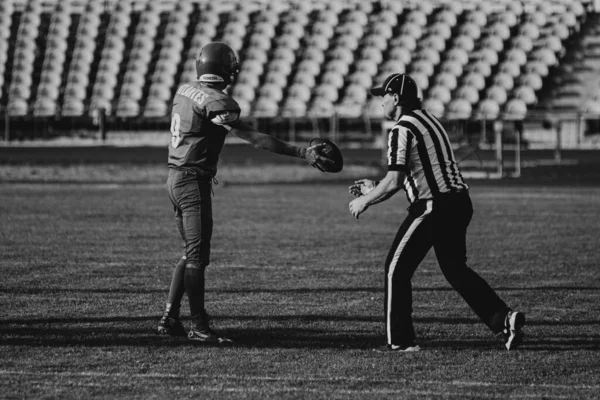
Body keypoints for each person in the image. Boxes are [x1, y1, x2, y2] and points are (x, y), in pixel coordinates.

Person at [157, 42, 333, 343]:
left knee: (189, 253)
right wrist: (301, 152)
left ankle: (169, 318)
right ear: (225, 70)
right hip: (191, 182)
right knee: (198, 256)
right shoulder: (218, 102)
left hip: (174, 178)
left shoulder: (184, 90)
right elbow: (254, 138)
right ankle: (198, 327)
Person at [348, 73, 525, 352]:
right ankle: (504, 319)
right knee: (456, 270)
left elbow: (395, 180)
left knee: (396, 269)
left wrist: (365, 201)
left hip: (434, 207)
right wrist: (373, 187)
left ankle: (401, 342)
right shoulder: (430, 120)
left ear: (395, 98)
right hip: (459, 202)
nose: (381, 102)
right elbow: (418, 172)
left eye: (383, 96)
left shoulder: (401, 129)